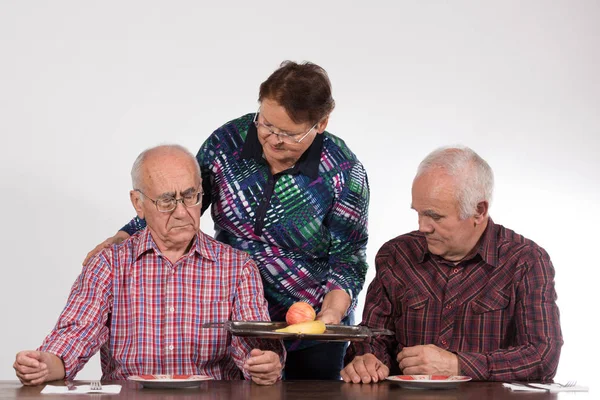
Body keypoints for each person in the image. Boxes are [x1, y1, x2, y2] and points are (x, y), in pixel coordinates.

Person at [83, 61, 370, 380]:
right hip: (237, 322)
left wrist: (329, 315)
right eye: (266, 124)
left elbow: (350, 256)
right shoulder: (228, 142)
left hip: (310, 332)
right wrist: (124, 236)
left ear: (321, 123)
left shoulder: (343, 171)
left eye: (288, 134)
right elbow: (183, 199)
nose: (273, 140)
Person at [14, 145, 284, 386]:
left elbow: (255, 347)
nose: (182, 211)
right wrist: (44, 366)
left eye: (191, 196)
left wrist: (265, 365)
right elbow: (75, 335)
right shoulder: (109, 264)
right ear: (138, 204)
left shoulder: (238, 267)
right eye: (166, 201)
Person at [342, 146, 563, 383]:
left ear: (479, 211)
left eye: (435, 216)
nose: (422, 227)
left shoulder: (525, 261)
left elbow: (543, 357)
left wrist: (458, 365)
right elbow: (373, 337)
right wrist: (366, 360)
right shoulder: (396, 255)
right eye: (418, 213)